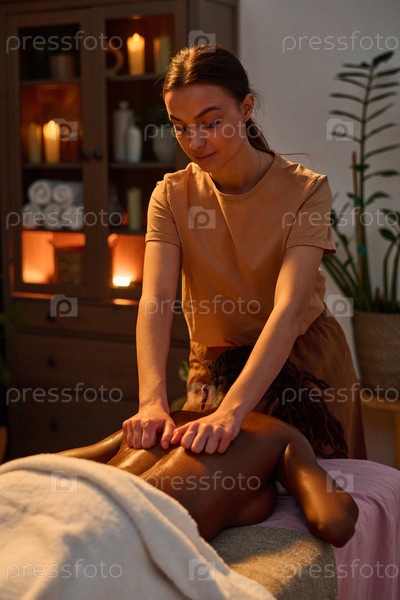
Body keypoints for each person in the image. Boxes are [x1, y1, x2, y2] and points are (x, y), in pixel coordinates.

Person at [123, 44, 366, 459]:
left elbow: (288, 311)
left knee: (319, 485)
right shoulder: (171, 195)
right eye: (180, 127)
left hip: (305, 364)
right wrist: (151, 402)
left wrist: (232, 412)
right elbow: (157, 300)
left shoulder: (306, 191)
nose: (195, 141)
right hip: (217, 365)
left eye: (210, 122)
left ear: (246, 108)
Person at [61, 408, 358, 547]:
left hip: (69, 509)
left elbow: (52, 464)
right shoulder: (280, 435)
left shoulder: (167, 419)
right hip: (117, 534)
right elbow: (333, 524)